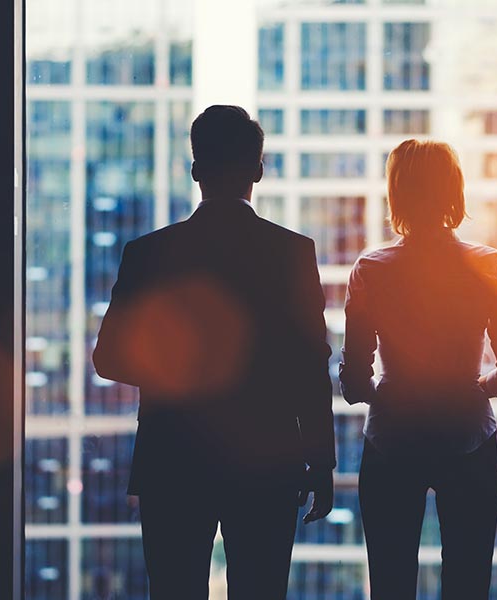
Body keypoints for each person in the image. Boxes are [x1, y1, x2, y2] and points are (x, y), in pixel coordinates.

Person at [92, 105, 336, 599]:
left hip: (172, 459)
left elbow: (108, 358)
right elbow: (311, 365)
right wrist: (321, 462)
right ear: (259, 171)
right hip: (268, 460)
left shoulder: (149, 253)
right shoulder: (292, 253)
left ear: (196, 171)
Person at [339, 139, 497, 599]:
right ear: (454, 192)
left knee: (390, 581)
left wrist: (391, 387)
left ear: (397, 195)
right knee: (468, 583)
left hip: (391, 439)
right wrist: (472, 385)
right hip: (469, 435)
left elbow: (353, 384)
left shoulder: (371, 269)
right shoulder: (487, 266)